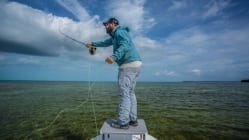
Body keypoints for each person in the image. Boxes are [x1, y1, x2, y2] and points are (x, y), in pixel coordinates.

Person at [85, 17, 142, 129]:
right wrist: (92, 44)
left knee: (124, 94)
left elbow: (124, 45)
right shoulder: (115, 36)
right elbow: (105, 42)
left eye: (107, 24)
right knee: (130, 93)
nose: (105, 26)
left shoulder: (120, 32)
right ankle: (133, 120)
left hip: (128, 66)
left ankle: (123, 122)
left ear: (113, 23)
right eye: (105, 25)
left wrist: (114, 57)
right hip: (135, 64)